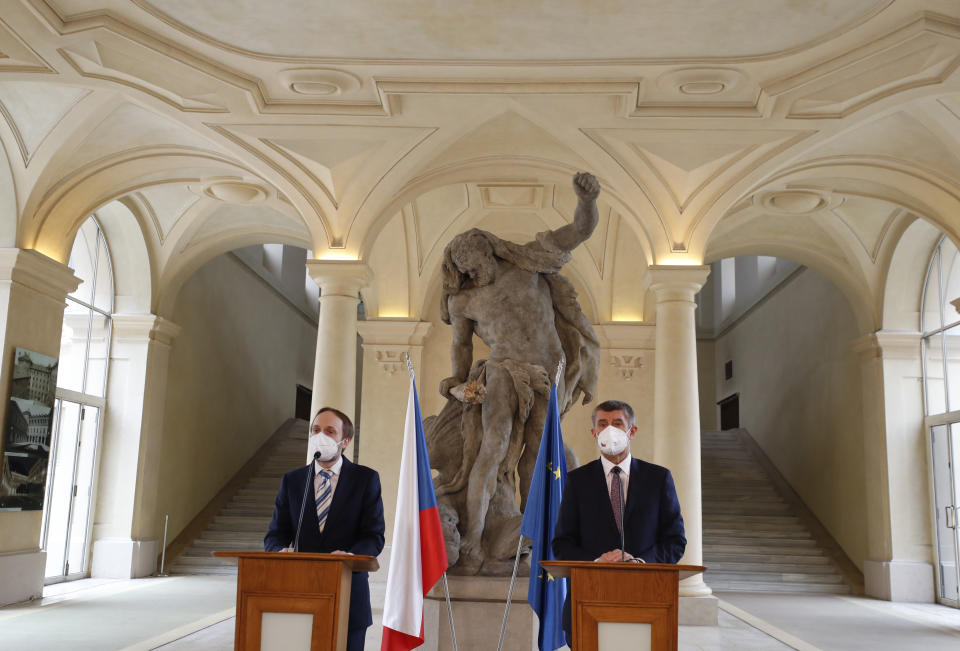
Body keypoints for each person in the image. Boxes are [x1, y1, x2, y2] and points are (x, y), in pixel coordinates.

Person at [431, 172, 601, 572]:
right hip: (502, 371)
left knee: (542, 455)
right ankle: (472, 538)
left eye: (477, 259)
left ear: (489, 251)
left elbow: (579, 230)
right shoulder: (464, 302)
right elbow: (461, 348)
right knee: (492, 448)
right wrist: (459, 387)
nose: (474, 270)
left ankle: (535, 537)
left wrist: (586, 200)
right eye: (465, 267)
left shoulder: (527, 265)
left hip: (550, 370)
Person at [552, 399, 686, 647]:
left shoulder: (658, 478)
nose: (609, 430)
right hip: (588, 603)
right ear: (594, 433)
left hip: (647, 604)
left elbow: (675, 540)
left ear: (631, 430)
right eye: (602, 424)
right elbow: (562, 543)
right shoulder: (577, 481)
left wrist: (640, 563)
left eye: (617, 423)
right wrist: (596, 563)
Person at [264, 407, 385, 651]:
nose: (321, 436)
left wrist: (351, 557)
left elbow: (374, 535)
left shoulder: (365, 479)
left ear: (345, 441)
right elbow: (275, 534)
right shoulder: (293, 481)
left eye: (330, 431)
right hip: (300, 594)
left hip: (349, 595)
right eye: (316, 430)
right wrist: (279, 551)